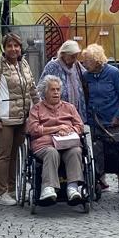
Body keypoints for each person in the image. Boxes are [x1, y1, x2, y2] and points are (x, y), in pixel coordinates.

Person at [0, 32, 36, 207]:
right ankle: (2, 191)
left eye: (16, 46)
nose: (13, 49)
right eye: (9, 46)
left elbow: (32, 89)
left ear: (20, 48)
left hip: (22, 117)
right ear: (4, 48)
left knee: (16, 155)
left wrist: (39, 109)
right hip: (5, 118)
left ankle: (13, 189)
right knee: (4, 155)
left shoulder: (24, 64)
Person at [25, 75, 88, 206]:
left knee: (76, 151)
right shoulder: (36, 109)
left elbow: (80, 126)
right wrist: (55, 129)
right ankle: (48, 188)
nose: (56, 93)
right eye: (52, 90)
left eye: (58, 89)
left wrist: (69, 130)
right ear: (44, 92)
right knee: (51, 152)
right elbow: (33, 129)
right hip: (45, 144)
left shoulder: (69, 107)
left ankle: (73, 188)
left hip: (67, 143)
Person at [78, 44, 119, 191]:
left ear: (97, 60)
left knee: (116, 152)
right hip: (95, 120)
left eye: (87, 61)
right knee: (97, 152)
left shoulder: (113, 73)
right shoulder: (86, 76)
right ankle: (101, 181)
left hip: (113, 120)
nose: (84, 64)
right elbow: (85, 97)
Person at [40, 39, 87, 119]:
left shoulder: (76, 65)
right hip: (57, 114)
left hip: (77, 113)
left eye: (76, 57)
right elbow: (42, 89)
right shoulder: (52, 66)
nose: (74, 60)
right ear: (63, 54)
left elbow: (86, 76)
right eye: (72, 57)